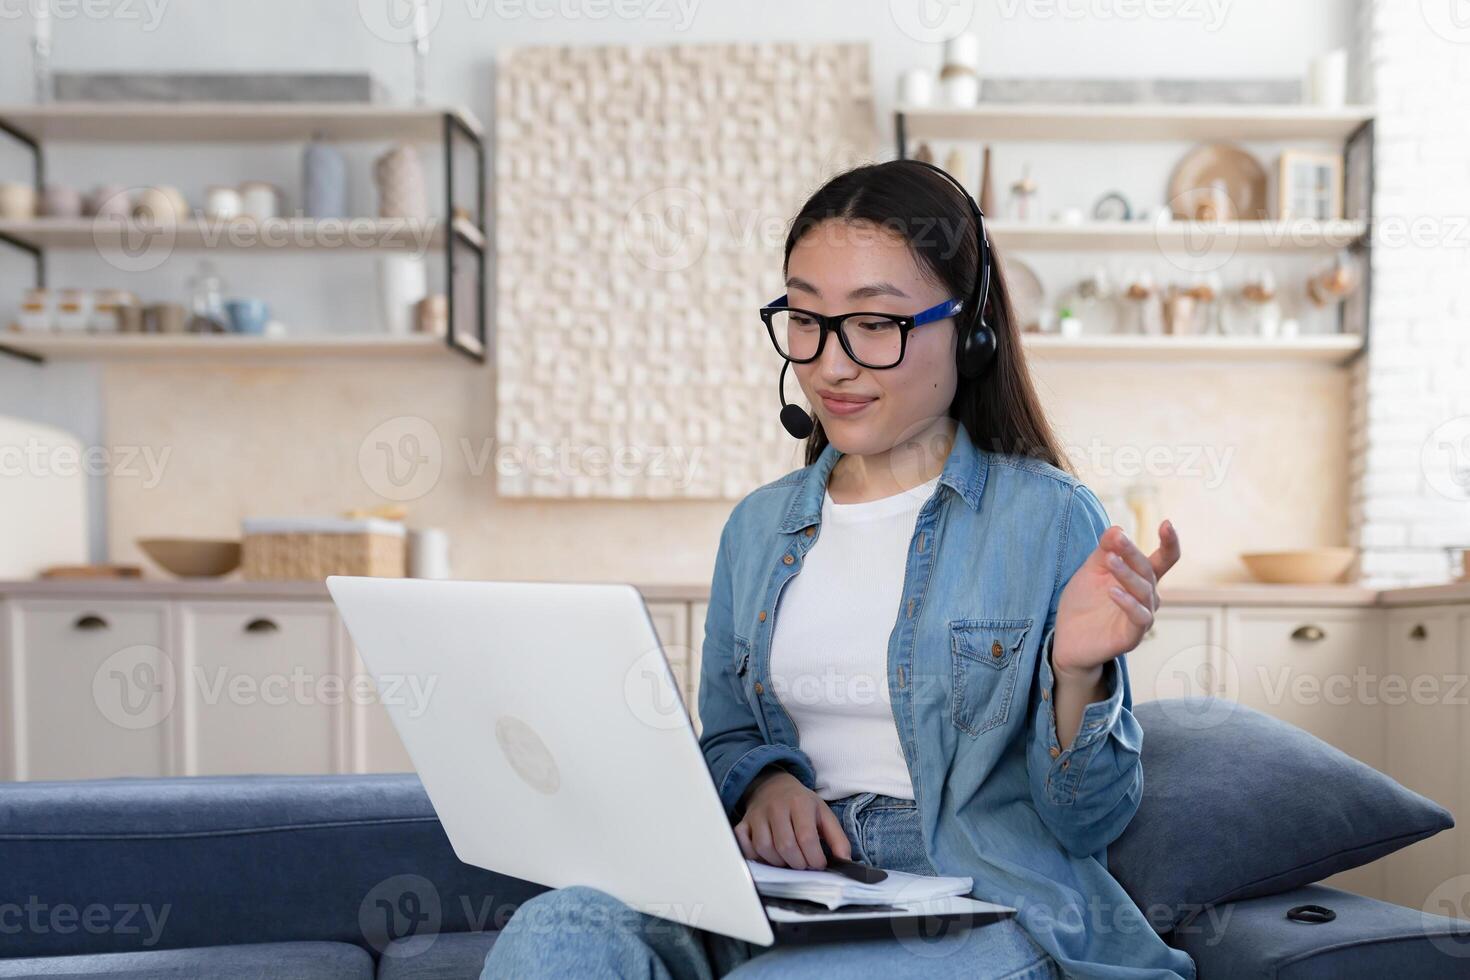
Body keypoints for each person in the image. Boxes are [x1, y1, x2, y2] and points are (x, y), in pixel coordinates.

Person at [483, 159, 1196, 979]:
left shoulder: (1048, 518)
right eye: (807, 319)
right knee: (559, 927)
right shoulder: (758, 527)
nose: (830, 364)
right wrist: (764, 786)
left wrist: (1079, 673)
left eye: (875, 324)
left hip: (972, 896)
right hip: (779, 885)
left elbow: (1088, 821)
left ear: (970, 330)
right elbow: (728, 735)